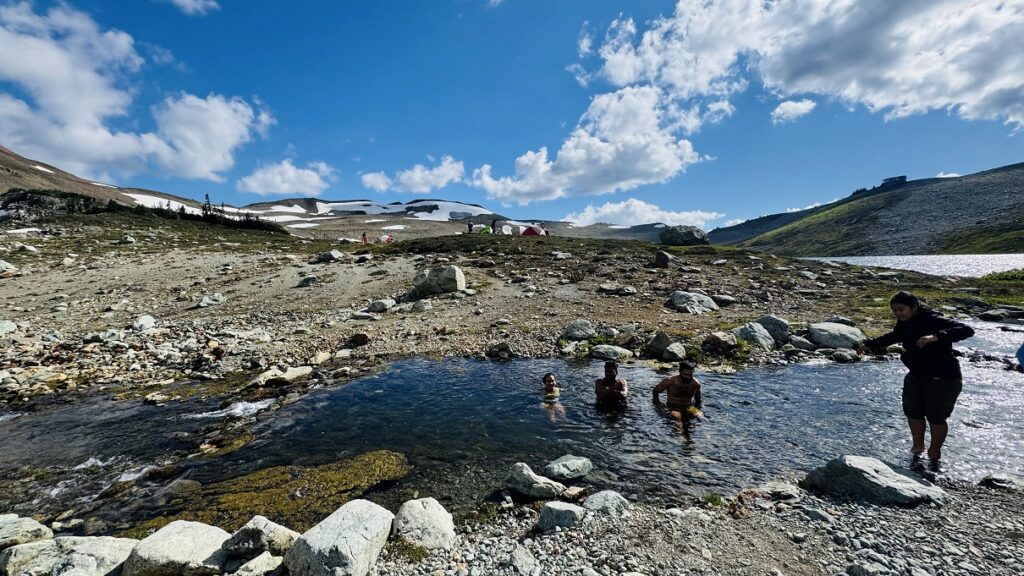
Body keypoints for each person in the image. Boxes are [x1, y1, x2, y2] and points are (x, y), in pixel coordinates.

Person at [859, 291, 974, 472]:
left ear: (914, 307)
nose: (898, 313)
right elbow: (895, 335)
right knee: (913, 411)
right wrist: (870, 344)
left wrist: (934, 336)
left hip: (943, 377)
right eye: (895, 311)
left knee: (936, 417)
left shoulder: (932, 319)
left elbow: (967, 330)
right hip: (917, 374)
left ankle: (934, 454)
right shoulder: (905, 322)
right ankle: (917, 449)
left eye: (901, 309)